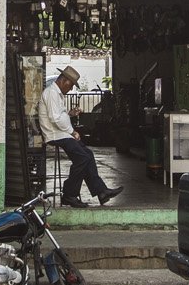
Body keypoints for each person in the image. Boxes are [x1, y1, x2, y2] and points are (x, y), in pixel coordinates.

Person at [35, 64, 123, 207]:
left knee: (87, 154)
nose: (70, 90)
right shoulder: (51, 93)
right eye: (70, 86)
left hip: (61, 133)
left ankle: (101, 192)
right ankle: (69, 195)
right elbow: (56, 119)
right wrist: (72, 132)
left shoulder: (56, 94)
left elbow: (58, 115)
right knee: (82, 158)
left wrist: (69, 113)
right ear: (64, 81)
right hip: (56, 135)